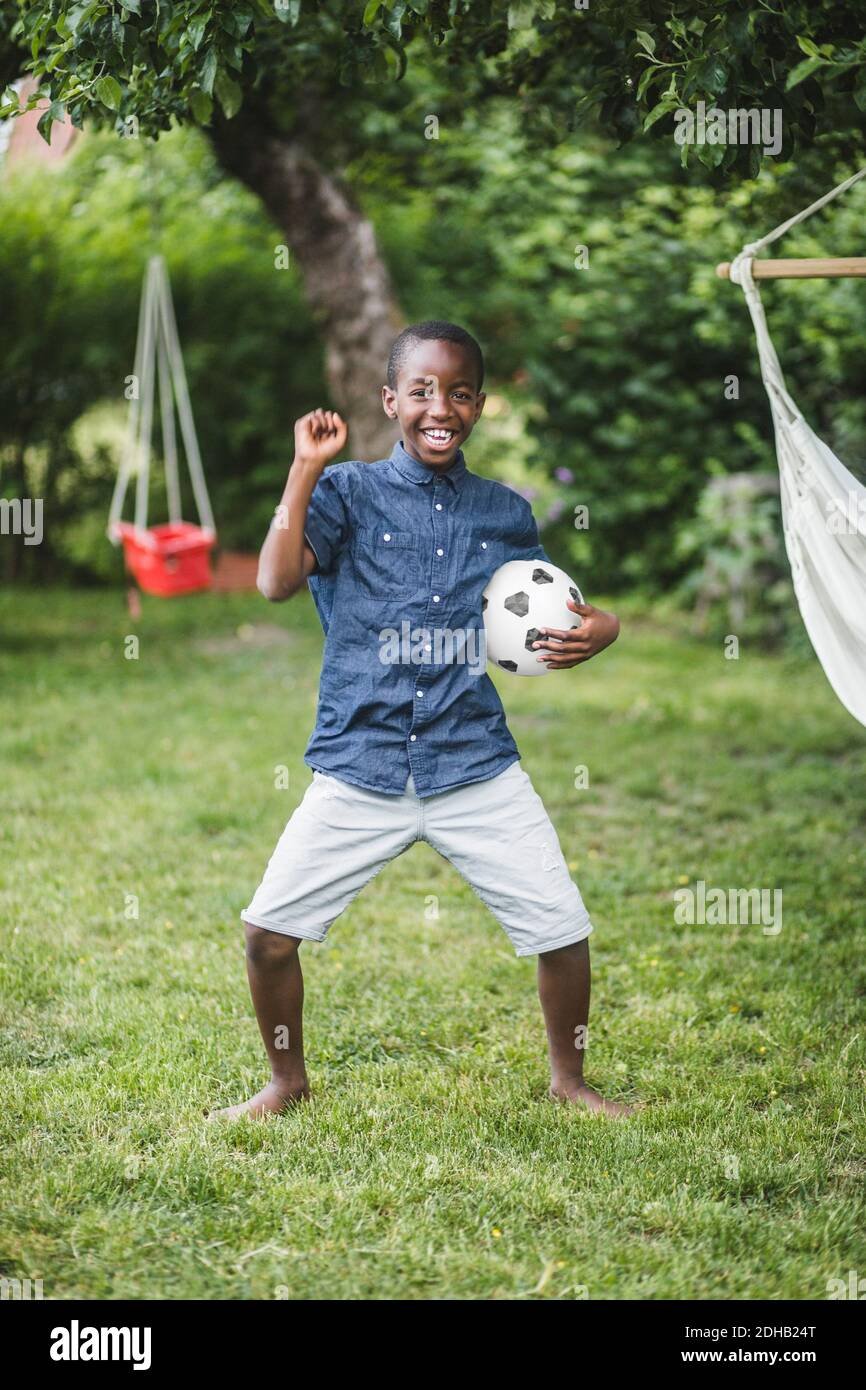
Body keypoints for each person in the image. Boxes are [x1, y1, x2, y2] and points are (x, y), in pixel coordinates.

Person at [209, 321, 633, 1121]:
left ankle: (570, 1080)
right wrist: (305, 470)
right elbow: (271, 582)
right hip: (361, 762)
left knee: (562, 930)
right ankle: (285, 1081)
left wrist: (603, 626)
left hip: (472, 760)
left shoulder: (506, 512)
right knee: (268, 935)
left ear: (478, 404)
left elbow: (551, 611)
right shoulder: (344, 494)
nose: (442, 407)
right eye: (423, 391)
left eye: (461, 392)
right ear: (391, 400)